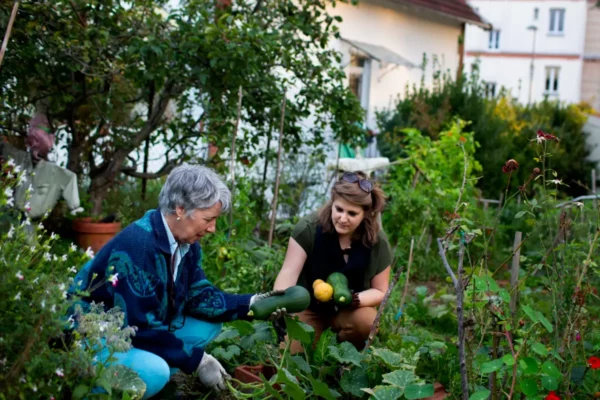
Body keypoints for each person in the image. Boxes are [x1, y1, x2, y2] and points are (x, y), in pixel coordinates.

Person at [71, 165, 285, 399]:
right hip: (89, 337)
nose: (212, 228)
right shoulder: (139, 247)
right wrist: (198, 360)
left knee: (208, 325)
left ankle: (149, 366)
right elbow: (138, 328)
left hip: (130, 328)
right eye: (208, 219)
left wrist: (251, 304)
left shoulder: (186, 245)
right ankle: (97, 385)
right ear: (180, 209)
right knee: (156, 372)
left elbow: (199, 296)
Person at [273, 171, 392, 352]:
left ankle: (343, 358)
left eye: (352, 213)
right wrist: (280, 306)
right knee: (293, 361)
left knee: (368, 322)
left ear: (365, 214)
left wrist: (355, 300)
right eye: (339, 209)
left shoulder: (377, 241)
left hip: (349, 312)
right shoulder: (308, 229)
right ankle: (313, 345)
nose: (343, 218)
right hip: (309, 308)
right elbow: (288, 272)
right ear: (332, 204)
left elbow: (381, 290)